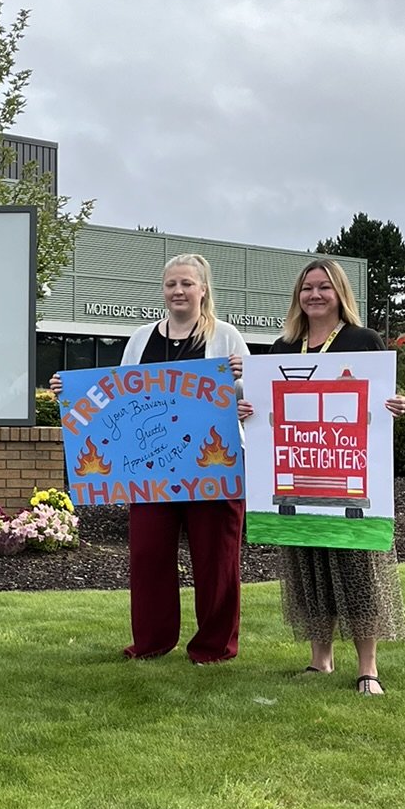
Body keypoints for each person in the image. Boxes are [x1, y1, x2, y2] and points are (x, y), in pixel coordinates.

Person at [51, 253, 250, 663]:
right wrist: (68, 392)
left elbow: (250, 397)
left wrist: (241, 380)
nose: (178, 291)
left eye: (187, 284)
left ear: (203, 289)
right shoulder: (141, 338)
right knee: (148, 557)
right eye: (171, 284)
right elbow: (115, 396)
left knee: (216, 559)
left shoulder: (226, 337)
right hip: (149, 469)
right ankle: (152, 641)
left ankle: (214, 647)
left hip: (212, 466)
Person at [255, 258, 405, 695]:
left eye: (324, 287)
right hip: (299, 472)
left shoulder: (364, 340)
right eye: (307, 288)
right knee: (309, 569)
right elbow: (266, 408)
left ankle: (368, 669)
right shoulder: (284, 347)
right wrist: (249, 411)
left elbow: (381, 398)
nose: (315, 295)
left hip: (348, 469)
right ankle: (320, 660)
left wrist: (396, 405)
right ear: (297, 296)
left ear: (340, 292)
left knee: (357, 572)